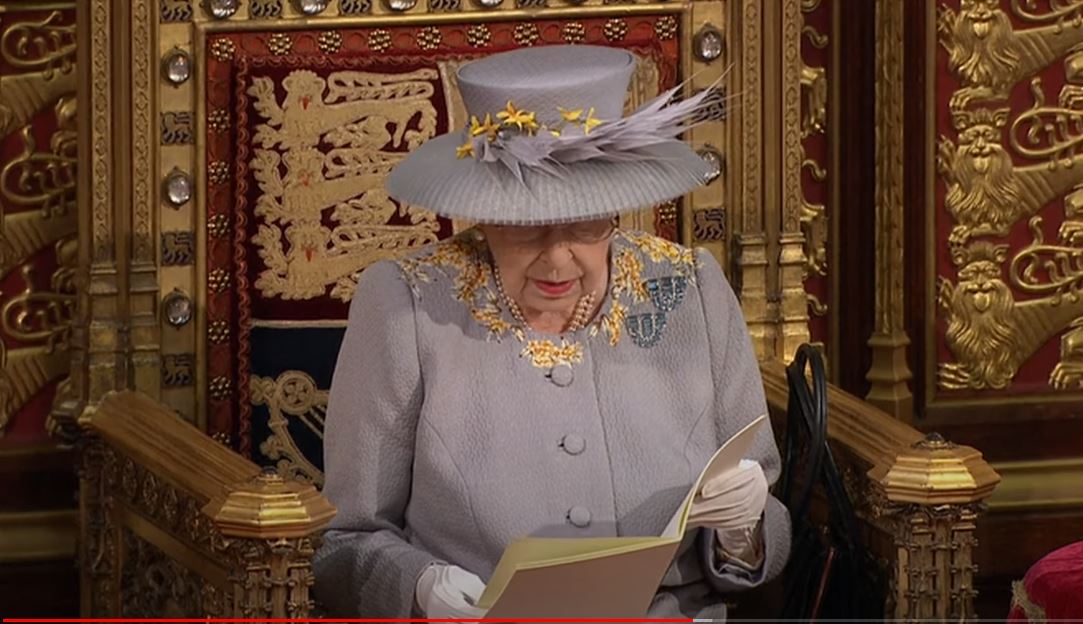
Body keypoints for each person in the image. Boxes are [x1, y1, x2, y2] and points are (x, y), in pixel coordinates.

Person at [313, 44, 790, 619]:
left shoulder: (692, 289)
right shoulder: (405, 305)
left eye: (585, 224)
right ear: (484, 213)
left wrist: (742, 533)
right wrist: (419, 587)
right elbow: (345, 542)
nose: (558, 260)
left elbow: (761, 515)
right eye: (526, 227)